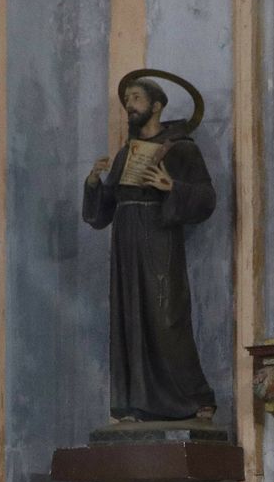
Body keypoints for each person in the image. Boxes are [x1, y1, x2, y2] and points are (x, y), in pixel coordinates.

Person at [84, 77, 218, 423]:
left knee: (166, 316)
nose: (130, 105)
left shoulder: (181, 148)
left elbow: (206, 198)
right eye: (127, 99)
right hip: (127, 241)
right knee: (130, 316)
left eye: (137, 98)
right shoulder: (126, 152)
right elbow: (103, 211)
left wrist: (172, 186)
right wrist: (94, 184)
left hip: (159, 239)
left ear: (157, 106)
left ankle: (195, 397)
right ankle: (132, 402)